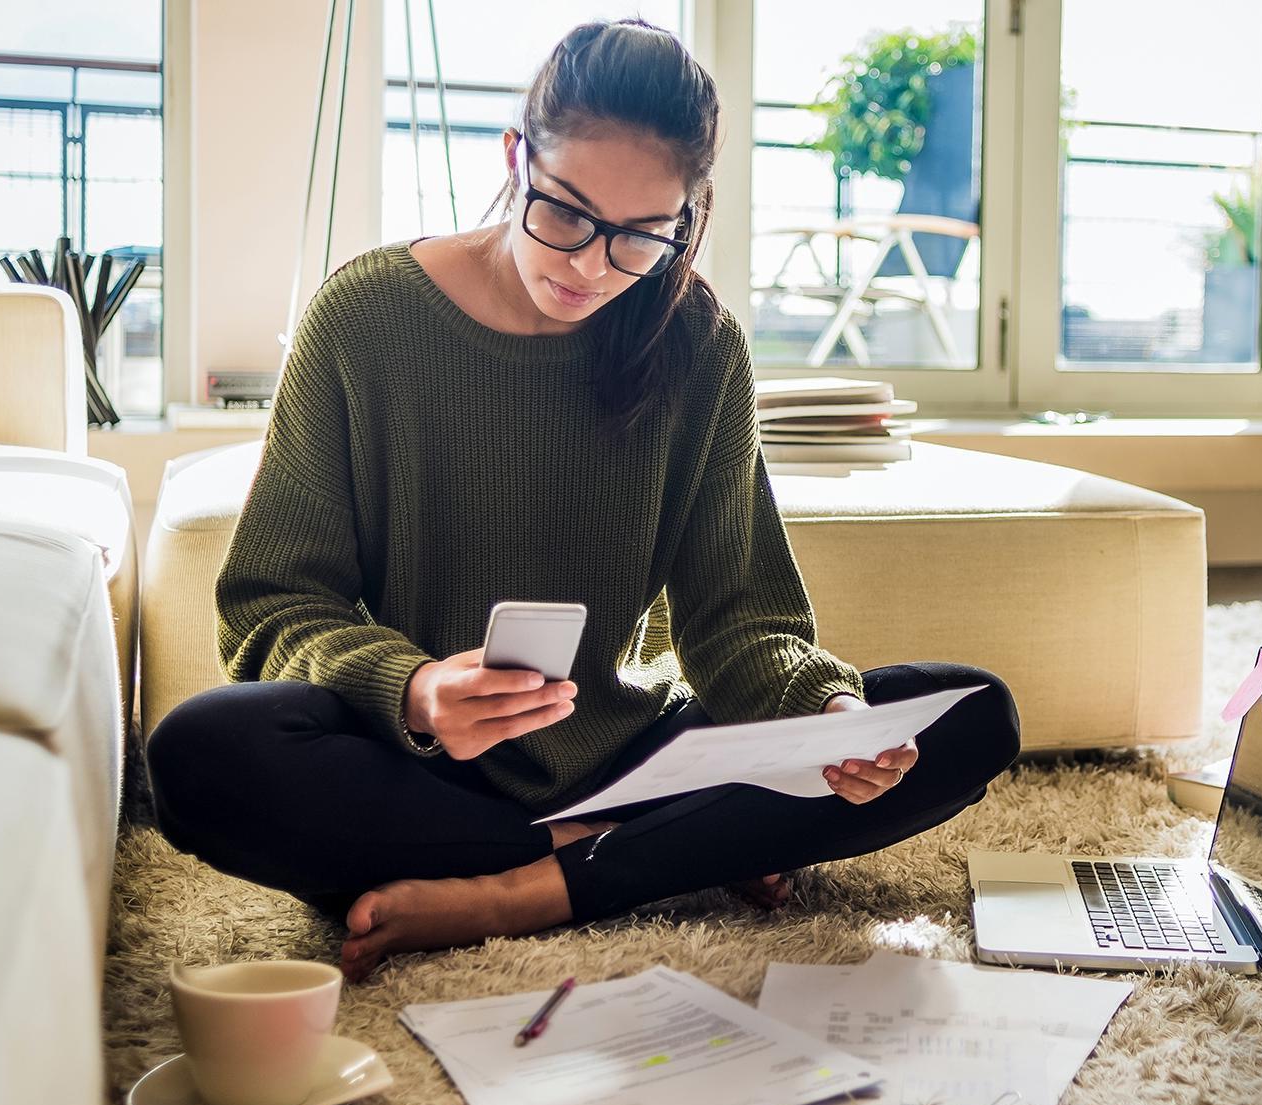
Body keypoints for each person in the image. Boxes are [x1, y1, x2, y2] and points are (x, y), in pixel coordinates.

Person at [144, 18, 1020, 982]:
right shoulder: (362, 320)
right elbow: (272, 603)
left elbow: (738, 623)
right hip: (427, 771)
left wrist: (825, 713)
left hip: (636, 755)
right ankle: (646, 856)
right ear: (517, 157)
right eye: (564, 214)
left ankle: (527, 890)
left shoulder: (698, 350)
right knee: (200, 754)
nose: (591, 266)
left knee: (971, 713)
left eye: (643, 236)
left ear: (687, 216)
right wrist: (417, 691)